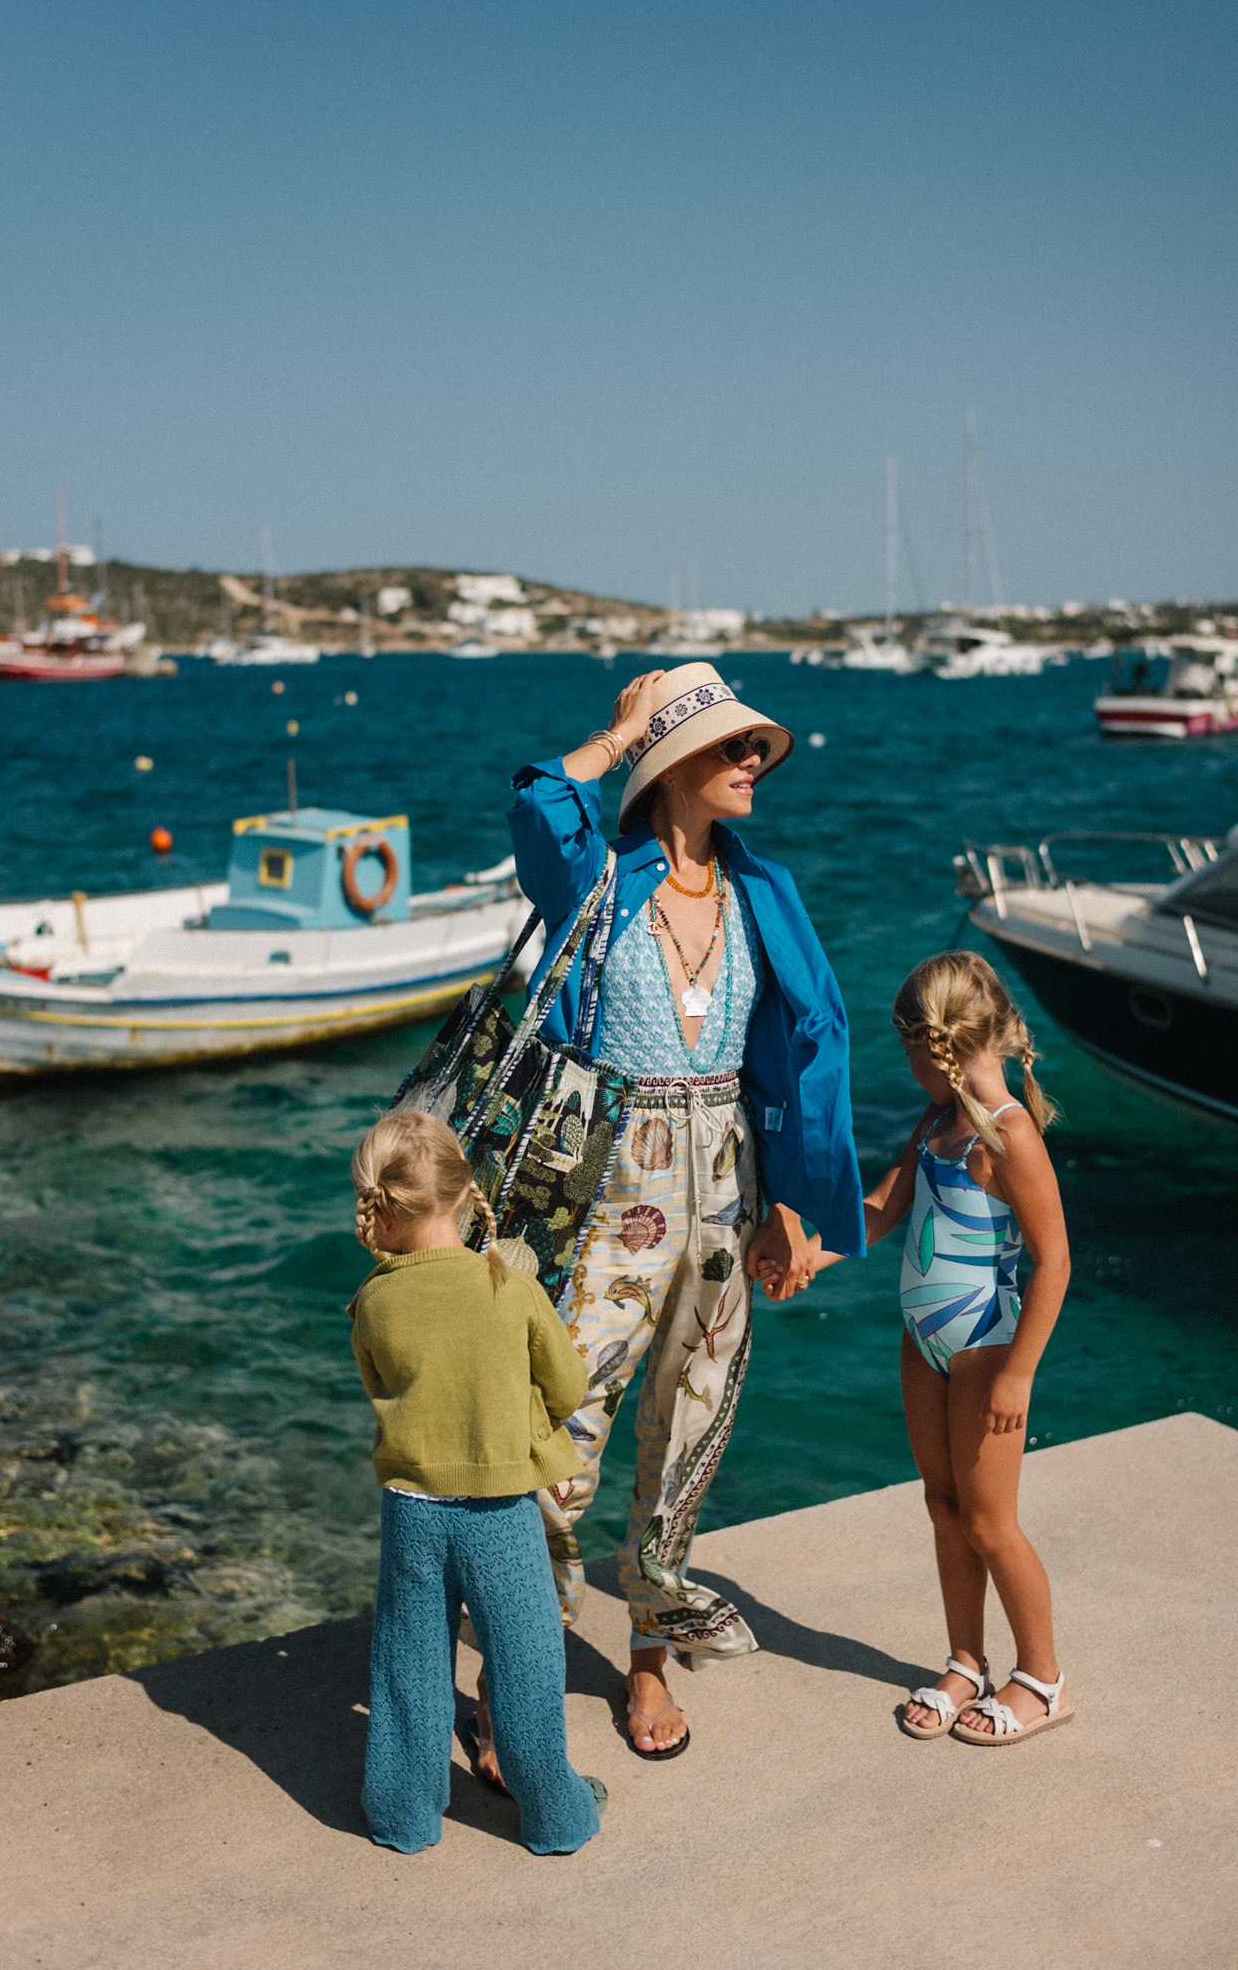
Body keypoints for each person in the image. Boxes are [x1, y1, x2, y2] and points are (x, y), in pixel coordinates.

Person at [470, 662, 865, 1775]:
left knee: (688, 1433)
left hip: (725, 1195)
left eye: (754, 750)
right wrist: (617, 738)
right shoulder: (597, 881)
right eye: (733, 748)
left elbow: (801, 1055)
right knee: (557, 1442)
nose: (753, 763)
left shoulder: (760, 892)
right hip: (604, 1193)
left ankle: (648, 1656)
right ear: (674, 766)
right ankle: (518, 1673)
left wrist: (796, 1205)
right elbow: (539, 802)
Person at [808, 950, 1074, 1746]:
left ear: (941, 1050)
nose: (908, 1064)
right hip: (922, 1341)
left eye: (909, 1050)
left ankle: (1045, 1679)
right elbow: (887, 1204)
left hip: (987, 1348)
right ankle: (967, 1660)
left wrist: (1020, 1372)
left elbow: (1054, 1260)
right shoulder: (938, 1122)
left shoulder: (1011, 1136)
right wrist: (811, 1256)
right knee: (943, 1504)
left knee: (992, 1523)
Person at [349, 1108, 605, 1855]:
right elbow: (567, 1383)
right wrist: (517, 1418)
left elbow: (379, 1382)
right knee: (525, 1663)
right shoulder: (509, 1287)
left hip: (411, 1511)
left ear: (384, 1209)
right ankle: (556, 1814)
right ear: (464, 1195)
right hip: (497, 1511)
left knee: (408, 1667)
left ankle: (403, 1817)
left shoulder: (373, 1300)